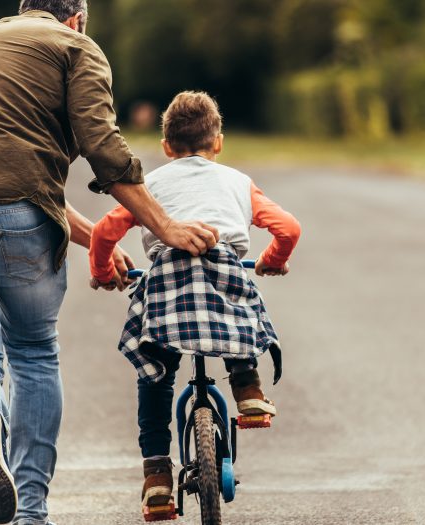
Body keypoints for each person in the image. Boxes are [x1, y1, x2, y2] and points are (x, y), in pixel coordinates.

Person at [0, 2, 219, 524]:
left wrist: (99, 245)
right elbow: (102, 148)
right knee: (32, 351)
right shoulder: (75, 47)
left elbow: (10, 171)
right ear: (77, 19)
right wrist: (166, 227)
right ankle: (31, 514)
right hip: (19, 217)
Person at [88, 91, 302, 517]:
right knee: (239, 308)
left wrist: (101, 271)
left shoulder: (147, 188)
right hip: (224, 274)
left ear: (167, 147)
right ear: (217, 141)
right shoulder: (239, 183)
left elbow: (103, 233)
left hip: (168, 285)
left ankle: (156, 479)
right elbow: (289, 228)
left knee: (156, 375)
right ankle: (248, 388)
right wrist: (271, 261)